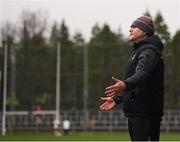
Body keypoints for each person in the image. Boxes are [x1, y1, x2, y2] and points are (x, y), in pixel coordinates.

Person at [99, 16, 164, 141]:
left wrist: (125, 84)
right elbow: (139, 85)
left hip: (145, 114)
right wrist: (118, 99)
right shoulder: (139, 50)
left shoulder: (148, 51)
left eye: (134, 27)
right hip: (138, 113)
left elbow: (142, 73)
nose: (130, 29)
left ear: (144, 31)